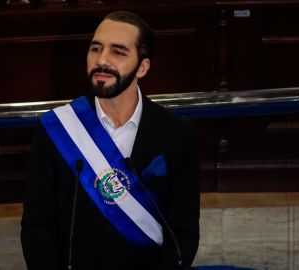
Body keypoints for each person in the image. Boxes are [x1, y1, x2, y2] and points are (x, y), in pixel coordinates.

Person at [21, 10, 200, 270]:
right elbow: (37, 227)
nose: (102, 60)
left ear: (143, 66)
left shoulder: (178, 134)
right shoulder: (55, 130)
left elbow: (184, 231)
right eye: (96, 48)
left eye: (118, 52)